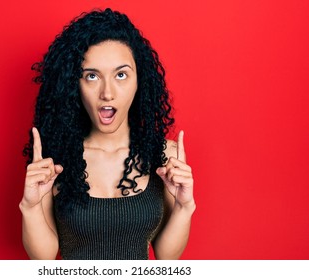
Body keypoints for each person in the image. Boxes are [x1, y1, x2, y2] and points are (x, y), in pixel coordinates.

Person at [20, 8, 195, 260]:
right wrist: (31, 205)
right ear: (74, 84)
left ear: (139, 81)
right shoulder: (54, 156)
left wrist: (184, 206)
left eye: (121, 75)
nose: (107, 93)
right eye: (92, 76)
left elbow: (167, 258)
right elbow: (44, 258)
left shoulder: (164, 154)